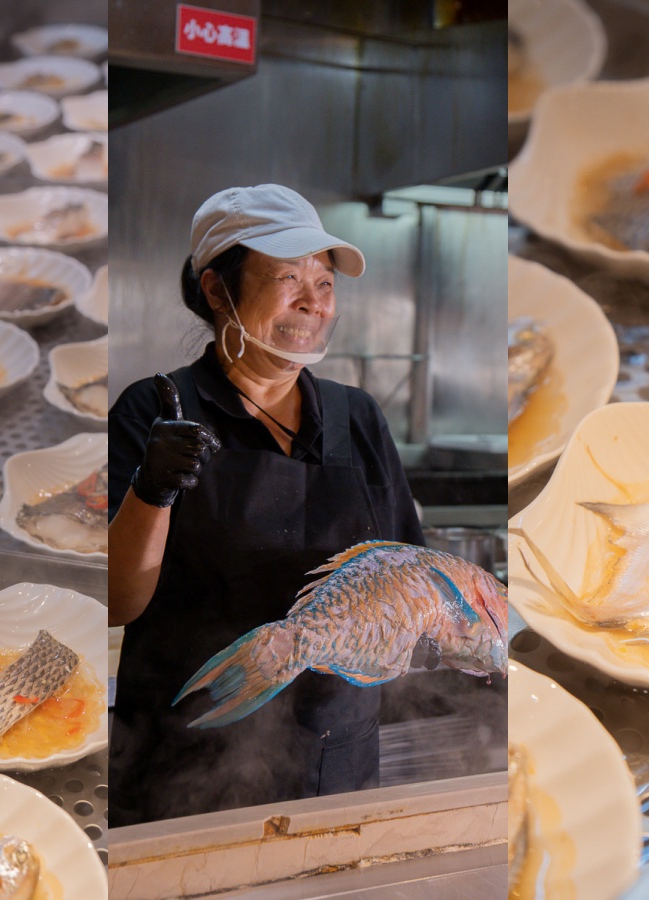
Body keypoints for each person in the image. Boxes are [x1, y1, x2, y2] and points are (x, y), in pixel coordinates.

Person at [107, 184, 425, 827]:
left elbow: (407, 576)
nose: (314, 301)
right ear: (218, 290)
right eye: (288, 277)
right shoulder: (154, 410)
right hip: (189, 764)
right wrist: (151, 489)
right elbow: (114, 602)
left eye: (326, 281)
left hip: (340, 764)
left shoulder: (356, 415)